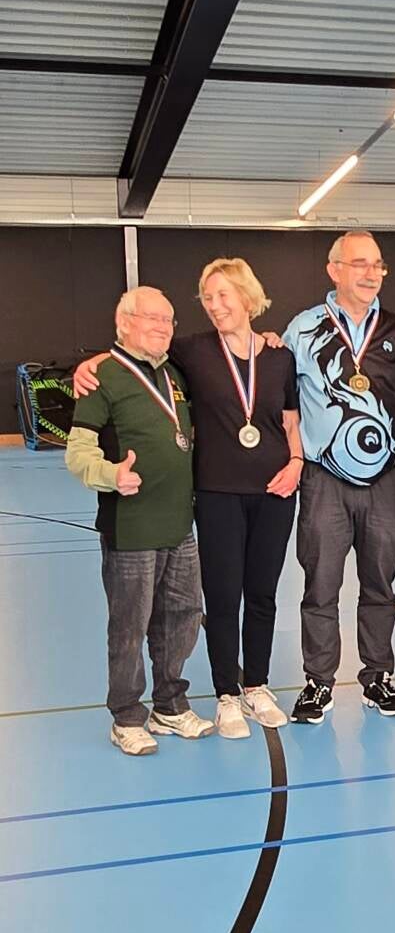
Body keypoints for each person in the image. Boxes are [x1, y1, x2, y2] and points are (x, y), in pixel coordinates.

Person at [73, 258, 303, 737]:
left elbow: (289, 420)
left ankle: (255, 685)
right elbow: (133, 351)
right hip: (216, 494)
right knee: (220, 597)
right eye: (207, 297)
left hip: (274, 492)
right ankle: (225, 694)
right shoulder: (193, 351)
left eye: (223, 295)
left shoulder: (279, 355)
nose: (214, 305)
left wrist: (297, 462)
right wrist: (90, 363)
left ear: (247, 296)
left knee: (259, 594)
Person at [65, 287, 214, 756]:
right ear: (124, 322)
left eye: (168, 320)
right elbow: (78, 453)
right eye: (152, 318)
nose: (162, 327)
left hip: (180, 526)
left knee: (183, 618)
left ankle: (169, 705)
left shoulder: (174, 374)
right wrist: (111, 475)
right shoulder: (103, 376)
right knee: (129, 626)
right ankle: (126, 716)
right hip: (130, 529)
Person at [282, 231, 395, 724]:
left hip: (384, 480)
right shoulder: (302, 330)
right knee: (321, 584)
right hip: (324, 480)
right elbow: (279, 394)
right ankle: (318, 682)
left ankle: (377, 677)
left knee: (380, 583)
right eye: (359, 263)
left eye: (377, 264)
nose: (371, 273)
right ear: (334, 269)